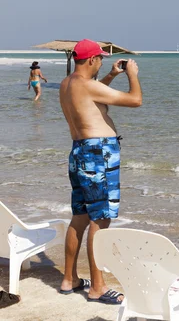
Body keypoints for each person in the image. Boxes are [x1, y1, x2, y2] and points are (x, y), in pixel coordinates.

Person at [59, 39, 142, 304]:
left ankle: (69, 279)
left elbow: (92, 96)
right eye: (101, 59)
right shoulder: (87, 85)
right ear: (92, 59)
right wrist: (132, 75)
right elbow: (135, 100)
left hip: (79, 152)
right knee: (100, 220)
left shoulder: (68, 83)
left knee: (80, 217)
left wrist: (110, 75)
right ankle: (97, 286)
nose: (102, 62)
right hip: (98, 155)